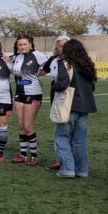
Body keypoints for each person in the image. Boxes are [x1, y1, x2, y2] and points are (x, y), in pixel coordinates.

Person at [53, 39, 97, 179]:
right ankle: (82, 170)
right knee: (80, 141)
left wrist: (54, 85)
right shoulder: (87, 64)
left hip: (69, 106)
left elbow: (63, 84)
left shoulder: (65, 63)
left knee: (62, 137)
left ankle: (68, 169)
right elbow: (92, 87)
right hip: (85, 106)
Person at [9, 35, 48, 165]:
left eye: (25, 44)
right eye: (20, 45)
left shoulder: (37, 55)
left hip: (34, 93)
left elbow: (48, 67)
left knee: (28, 126)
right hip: (19, 94)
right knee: (21, 126)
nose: (22, 47)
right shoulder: (16, 57)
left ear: (30, 44)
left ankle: (35, 157)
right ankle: (23, 155)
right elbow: (12, 70)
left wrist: (38, 75)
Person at [40, 35, 70, 171]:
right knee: (59, 129)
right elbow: (42, 71)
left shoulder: (74, 60)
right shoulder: (53, 60)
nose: (61, 47)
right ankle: (60, 159)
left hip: (70, 97)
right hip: (56, 96)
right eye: (59, 45)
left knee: (69, 130)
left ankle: (69, 161)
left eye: (65, 45)